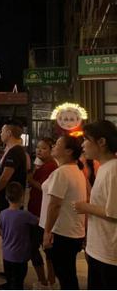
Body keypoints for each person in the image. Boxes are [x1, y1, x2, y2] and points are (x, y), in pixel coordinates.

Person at [74, 120, 117, 289]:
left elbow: (114, 212)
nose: (83, 145)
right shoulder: (105, 167)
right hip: (99, 248)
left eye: (86, 139)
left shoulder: (113, 169)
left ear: (102, 142)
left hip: (108, 253)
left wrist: (85, 207)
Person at [40, 135, 87, 289]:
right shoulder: (75, 170)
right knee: (68, 275)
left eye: (58, 143)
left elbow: (55, 205)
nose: (54, 145)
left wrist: (47, 232)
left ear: (68, 151)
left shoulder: (62, 172)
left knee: (66, 277)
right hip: (71, 232)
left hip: (61, 233)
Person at [27, 138, 57, 289]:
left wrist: (30, 179)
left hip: (40, 213)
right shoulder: (44, 165)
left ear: (52, 149)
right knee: (45, 249)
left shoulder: (51, 167)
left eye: (44, 148)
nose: (39, 150)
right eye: (38, 148)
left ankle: (45, 281)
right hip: (38, 210)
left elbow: (43, 188)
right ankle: (48, 281)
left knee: (35, 248)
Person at [0, 182, 39, 290]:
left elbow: (1, 232)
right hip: (20, 256)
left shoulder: (3, 214)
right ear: (22, 197)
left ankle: (9, 285)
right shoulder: (25, 215)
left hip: (6, 254)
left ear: (6, 197)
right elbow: (38, 222)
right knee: (18, 281)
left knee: (9, 276)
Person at [0, 121, 28, 214]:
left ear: (9, 133)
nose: (1, 134)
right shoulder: (15, 150)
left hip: (10, 199)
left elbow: (5, 177)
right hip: (11, 198)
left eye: (2, 131)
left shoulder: (15, 151)